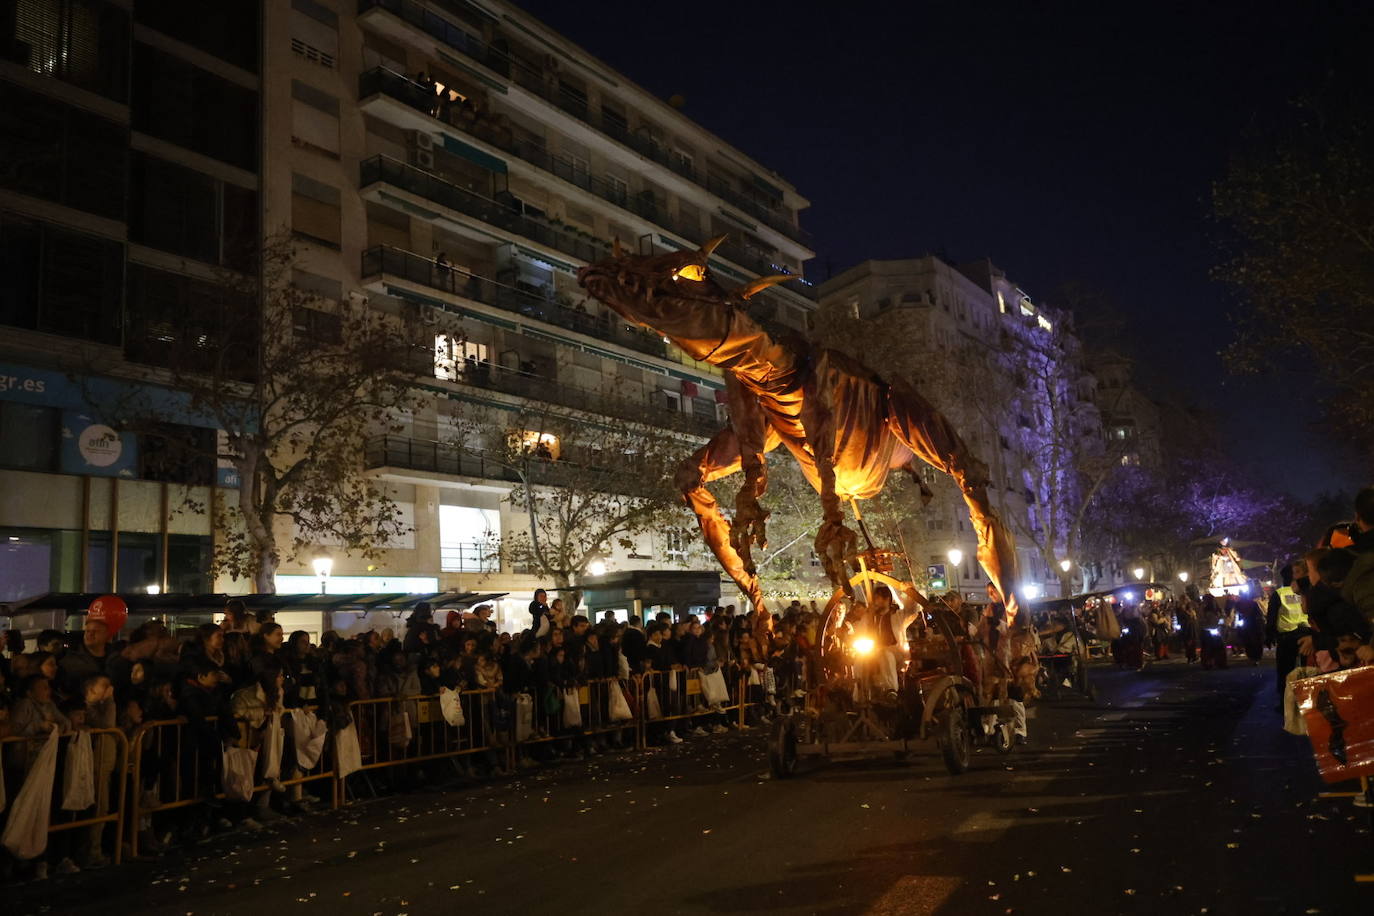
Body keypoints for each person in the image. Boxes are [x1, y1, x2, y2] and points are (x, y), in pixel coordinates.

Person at [60, 617, 112, 697]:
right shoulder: (71, 660)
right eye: (87, 631)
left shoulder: (115, 657)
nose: (90, 634)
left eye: (96, 631)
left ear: (107, 635)